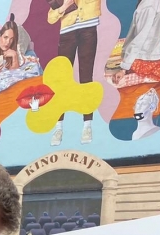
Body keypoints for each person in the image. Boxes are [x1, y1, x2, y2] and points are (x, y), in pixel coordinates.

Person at [47, 0, 101, 145]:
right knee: (61, 80)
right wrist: (64, 6)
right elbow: (51, 18)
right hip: (67, 32)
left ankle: (87, 125)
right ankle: (58, 127)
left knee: (86, 77)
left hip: (88, 27)